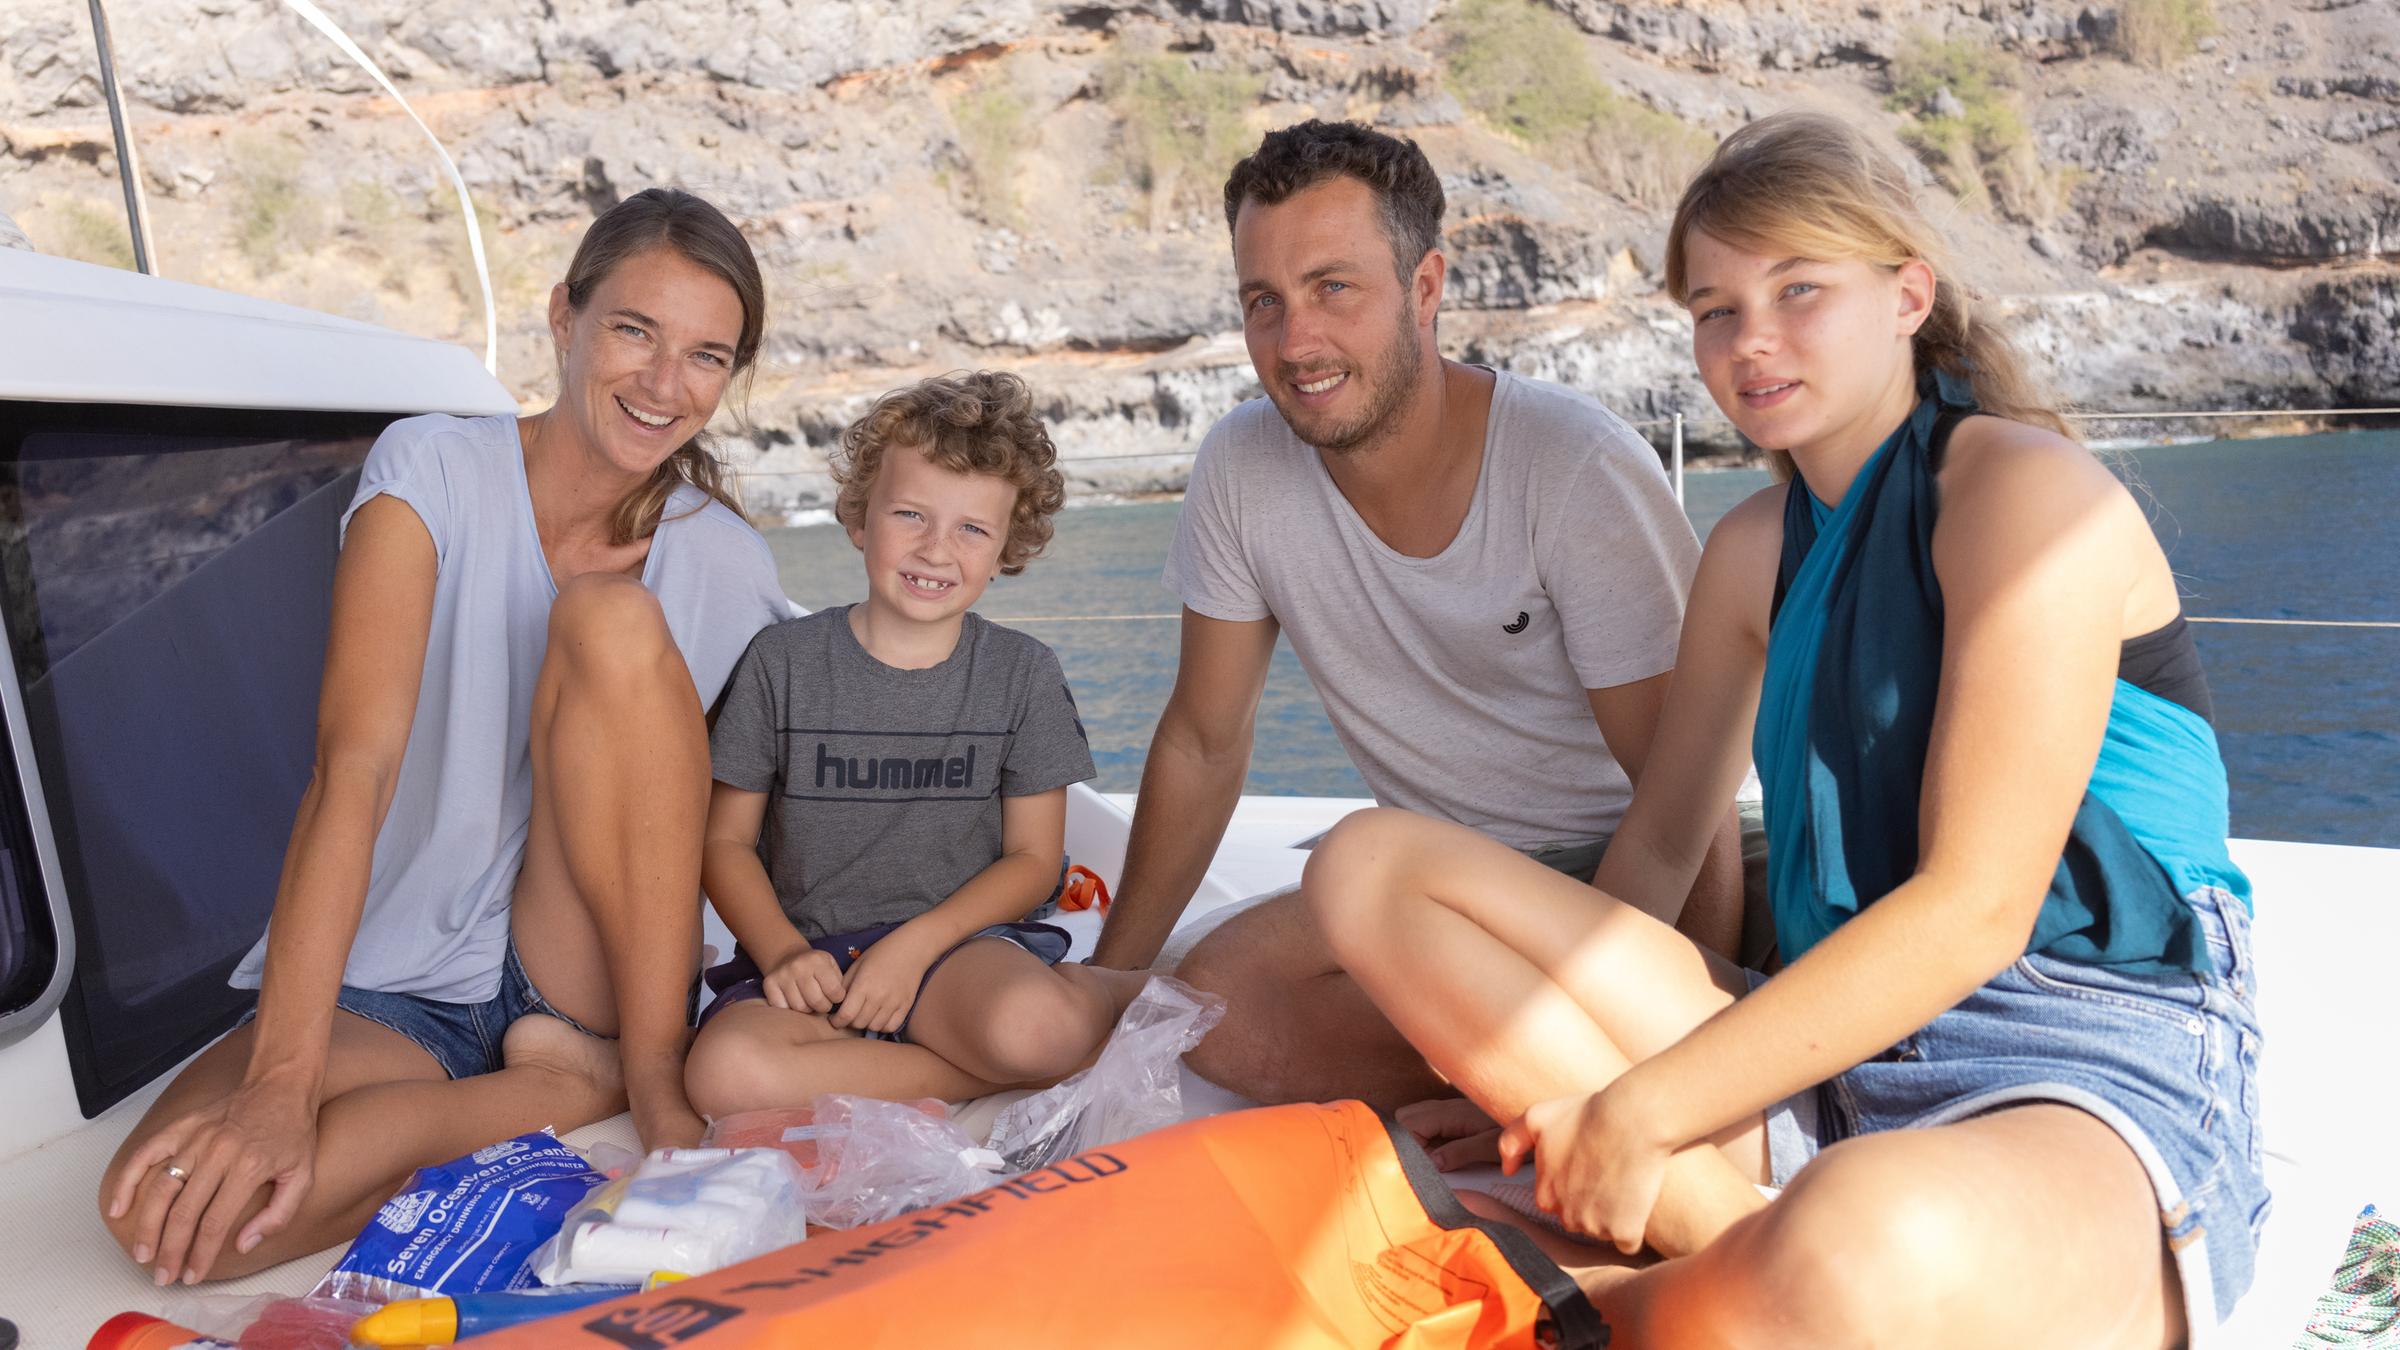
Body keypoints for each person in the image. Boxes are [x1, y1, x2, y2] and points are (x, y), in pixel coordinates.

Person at [1304, 111, 2268, 1347]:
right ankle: (1718, 1232)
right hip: (1834, 1054)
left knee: (1868, 1240)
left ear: (1908, 293)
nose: (1750, 342)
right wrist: (1549, 1072)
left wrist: (1636, 1112)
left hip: (2083, 1064)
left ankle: (1616, 1288)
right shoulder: (1750, 556)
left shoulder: (2028, 498)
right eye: (1715, 310)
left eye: (1798, 290)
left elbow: (1977, 911)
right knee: (1369, 867)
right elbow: (1656, 853)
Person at [97, 188, 795, 1286]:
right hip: (409, 963)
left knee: (607, 618)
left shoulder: (728, 562)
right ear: (564, 319)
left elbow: (773, 783)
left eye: (707, 356)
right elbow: (353, 775)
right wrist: (283, 1085)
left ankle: (633, 1071)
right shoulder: (429, 472)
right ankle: (559, 1091)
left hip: (591, 971)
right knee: (169, 1210)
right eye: (634, 331)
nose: (666, 385)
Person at [1084, 119, 1752, 1110]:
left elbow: (1685, 807)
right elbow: (1202, 741)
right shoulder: (1242, 466)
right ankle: (1503, 1074)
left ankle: (1588, 1063)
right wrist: (1105, 990)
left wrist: (1660, 1051)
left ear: (1427, 287)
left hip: (1610, 882)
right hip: (1427, 889)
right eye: (1263, 301)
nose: (1295, 341)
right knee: (1204, 1007)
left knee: (1266, 959)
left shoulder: (1572, 468)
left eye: (1333, 288)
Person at [681, 372, 1148, 1115]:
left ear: (1005, 550)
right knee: (723, 1075)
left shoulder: (1021, 673)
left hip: (959, 957)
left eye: (973, 529)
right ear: (860, 518)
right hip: (817, 964)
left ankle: (1089, 998)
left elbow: (1033, 862)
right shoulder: (781, 662)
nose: (936, 549)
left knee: (1035, 1029)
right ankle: (973, 1077)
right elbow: (724, 844)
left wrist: (914, 949)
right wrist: (781, 953)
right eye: (910, 515)